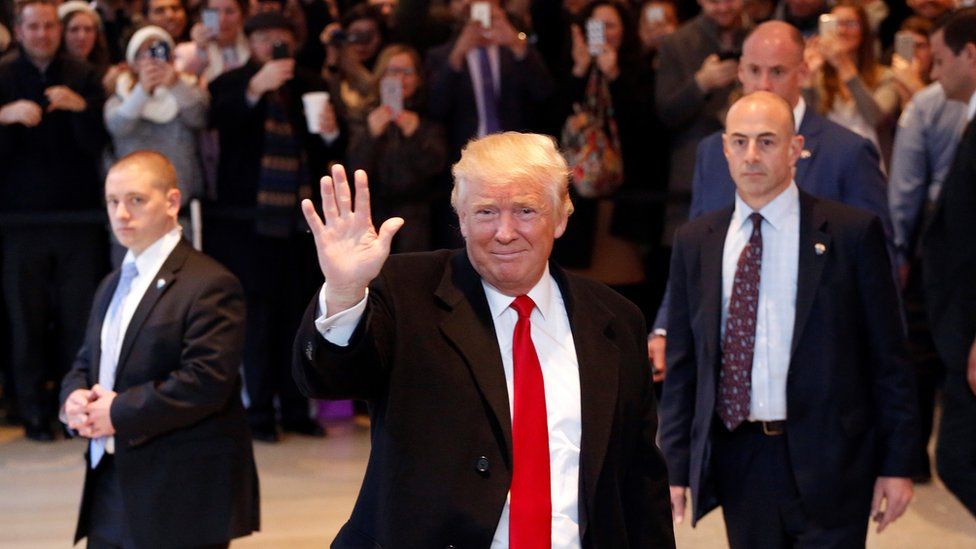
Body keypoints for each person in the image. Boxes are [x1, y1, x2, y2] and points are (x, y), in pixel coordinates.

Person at [292, 132, 675, 547]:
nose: (504, 232)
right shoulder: (404, 293)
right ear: (459, 218)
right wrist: (345, 292)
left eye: (526, 211)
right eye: (486, 212)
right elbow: (328, 379)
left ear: (562, 217)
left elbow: (641, 482)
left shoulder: (615, 320)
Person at [660, 91, 919, 546]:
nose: (752, 155)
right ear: (724, 149)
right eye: (739, 142)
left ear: (795, 148)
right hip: (741, 459)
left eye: (767, 141)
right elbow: (683, 366)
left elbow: (890, 359)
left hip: (834, 459)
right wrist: (676, 467)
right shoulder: (697, 241)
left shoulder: (851, 234)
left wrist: (898, 464)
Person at [648, 21, 893, 378]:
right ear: (740, 72)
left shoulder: (847, 154)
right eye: (754, 70)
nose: (763, 84)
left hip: (820, 367)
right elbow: (693, 253)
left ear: (803, 72)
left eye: (777, 71)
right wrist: (666, 326)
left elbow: (878, 270)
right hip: (725, 366)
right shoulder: (713, 153)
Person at [59, 151, 259, 548]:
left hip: (180, 493)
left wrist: (116, 411)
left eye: (136, 199)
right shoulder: (113, 282)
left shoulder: (210, 283)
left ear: (171, 202)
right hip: (111, 480)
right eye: (113, 201)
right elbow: (89, 359)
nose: (121, 214)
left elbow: (207, 382)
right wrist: (73, 399)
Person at [209, 11, 339, 441]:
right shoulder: (231, 82)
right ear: (250, 43)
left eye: (280, 39)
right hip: (247, 224)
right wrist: (253, 89)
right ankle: (259, 412)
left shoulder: (311, 83)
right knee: (256, 321)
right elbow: (220, 120)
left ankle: (298, 410)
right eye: (263, 39)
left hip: (301, 224)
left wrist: (331, 133)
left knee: (298, 317)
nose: (272, 47)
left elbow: (332, 150)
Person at [0, 0, 108, 441]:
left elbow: (100, 142)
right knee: (25, 321)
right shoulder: (3, 76)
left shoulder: (83, 75)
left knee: (76, 321)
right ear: (19, 30)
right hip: (18, 223)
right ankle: (32, 414)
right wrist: (2, 117)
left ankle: (72, 410)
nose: (42, 33)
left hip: (78, 222)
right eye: (34, 26)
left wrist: (82, 109)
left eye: (49, 26)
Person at [921, 6, 976, 517]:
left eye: (940, 60)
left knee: (961, 458)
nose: (934, 74)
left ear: (971, 54)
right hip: (960, 326)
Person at [655, 0, 748, 249]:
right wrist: (701, 84)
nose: (724, 7)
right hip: (692, 176)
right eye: (714, 1)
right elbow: (664, 113)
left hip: (749, 173)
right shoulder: (677, 43)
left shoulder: (758, 38)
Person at [346, 43, 447, 253]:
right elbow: (353, 169)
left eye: (407, 72)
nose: (400, 79)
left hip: (419, 219)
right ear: (381, 76)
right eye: (392, 71)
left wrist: (416, 134)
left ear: (418, 78)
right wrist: (371, 135)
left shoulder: (429, 115)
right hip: (372, 216)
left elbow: (437, 168)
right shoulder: (363, 115)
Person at [105, 25, 208, 209]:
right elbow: (118, 127)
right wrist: (142, 91)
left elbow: (199, 117)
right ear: (132, 62)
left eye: (159, 51)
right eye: (143, 54)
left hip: (180, 199)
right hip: (132, 203)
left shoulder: (188, 87)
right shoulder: (119, 97)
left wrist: (175, 84)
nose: (151, 59)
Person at [805, 0, 899, 163]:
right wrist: (806, 80)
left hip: (872, 163)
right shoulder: (820, 77)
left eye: (850, 24)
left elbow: (877, 120)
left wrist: (844, 66)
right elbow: (806, 125)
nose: (841, 30)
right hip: (828, 161)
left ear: (864, 31)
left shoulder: (885, 77)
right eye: (836, 24)